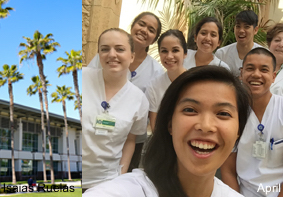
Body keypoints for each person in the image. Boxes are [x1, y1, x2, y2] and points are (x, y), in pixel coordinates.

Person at [85, 66, 251, 197]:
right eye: (190, 110)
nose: (206, 126)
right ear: (170, 123)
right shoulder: (124, 192)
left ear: (238, 131)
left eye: (223, 113)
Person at [222, 48, 283, 197]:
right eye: (250, 68)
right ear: (241, 73)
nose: (256, 74)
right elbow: (228, 171)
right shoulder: (231, 114)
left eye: (264, 70)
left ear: (273, 77)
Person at [81, 28, 150, 191]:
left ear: (132, 56)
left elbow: (130, 140)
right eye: (105, 49)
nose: (112, 54)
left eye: (120, 49)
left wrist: (120, 176)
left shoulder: (139, 99)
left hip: (104, 183)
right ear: (98, 54)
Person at [145, 29, 188, 131]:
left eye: (175, 50)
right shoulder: (154, 85)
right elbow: (155, 127)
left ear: (185, 53)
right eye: (164, 51)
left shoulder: (195, 83)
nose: (169, 56)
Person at [215, 10, 265, 77]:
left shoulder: (264, 55)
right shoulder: (222, 54)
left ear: (255, 30)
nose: (241, 30)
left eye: (246, 27)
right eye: (238, 26)